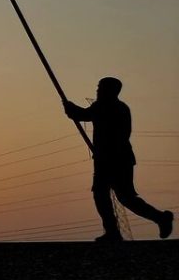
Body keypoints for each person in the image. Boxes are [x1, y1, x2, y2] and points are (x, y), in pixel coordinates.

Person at [64, 77, 173, 242]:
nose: (98, 90)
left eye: (101, 88)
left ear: (110, 90)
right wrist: (71, 109)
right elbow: (82, 115)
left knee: (116, 196)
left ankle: (121, 229)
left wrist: (69, 108)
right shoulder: (118, 107)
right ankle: (152, 220)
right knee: (112, 195)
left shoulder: (106, 107)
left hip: (113, 159)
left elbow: (81, 115)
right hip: (114, 158)